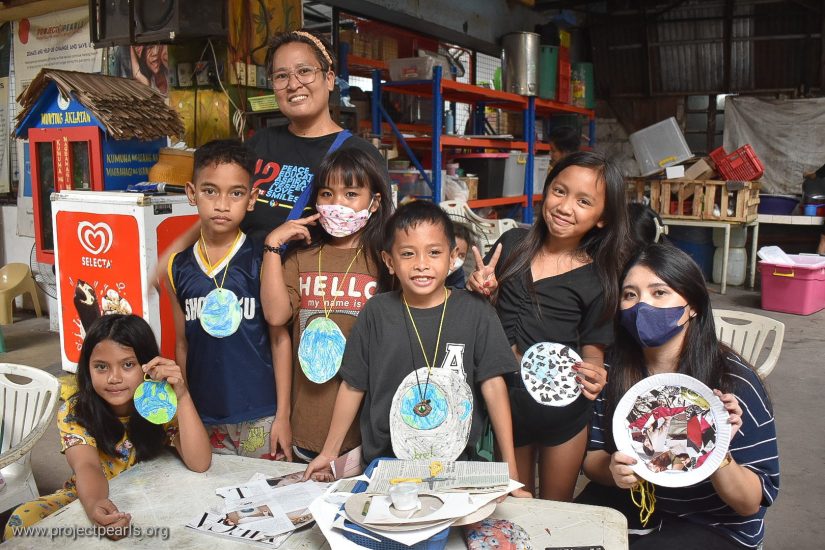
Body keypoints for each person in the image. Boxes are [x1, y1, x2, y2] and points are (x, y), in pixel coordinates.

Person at [301, 202, 530, 496]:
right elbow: (353, 385)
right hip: (387, 466)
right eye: (408, 254)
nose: (421, 264)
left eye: (434, 252)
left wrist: (510, 473)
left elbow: (494, 389)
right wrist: (329, 452)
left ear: (453, 257)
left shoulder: (476, 311)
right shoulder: (376, 312)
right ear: (389, 261)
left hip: (457, 466)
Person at [577, 244, 779, 549]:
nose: (642, 306)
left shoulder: (733, 381)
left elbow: (748, 504)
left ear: (693, 304)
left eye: (659, 293)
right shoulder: (612, 369)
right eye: (630, 294)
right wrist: (614, 470)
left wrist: (718, 449)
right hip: (639, 502)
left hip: (714, 524)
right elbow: (593, 460)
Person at [467, 151, 631, 501]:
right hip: (504, 404)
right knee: (514, 506)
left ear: (602, 218)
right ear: (547, 190)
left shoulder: (599, 278)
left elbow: (593, 345)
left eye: (584, 201)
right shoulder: (512, 245)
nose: (565, 207)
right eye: (560, 191)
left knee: (556, 511)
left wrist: (595, 371)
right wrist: (479, 289)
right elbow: (483, 311)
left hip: (563, 414)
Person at [3, 315, 211, 540]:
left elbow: (200, 463)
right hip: (90, 494)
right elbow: (87, 466)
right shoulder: (76, 411)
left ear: (149, 365)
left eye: (128, 365)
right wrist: (95, 504)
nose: (114, 378)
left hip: (150, 494)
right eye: (101, 367)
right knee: (22, 520)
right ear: (87, 368)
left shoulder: (160, 405)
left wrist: (182, 395)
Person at [260, 147, 392, 462]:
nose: (337, 204)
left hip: (370, 435)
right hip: (308, 427)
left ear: (374, 202)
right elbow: (276, 316)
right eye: (327, 193)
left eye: (351, 194)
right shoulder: (301, 259)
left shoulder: (387, 261)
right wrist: (272, 245)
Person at [167, 139, 288, 459]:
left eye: (235, 193)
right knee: (210, 486)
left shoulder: (262, 260)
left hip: (261, 412)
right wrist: (185, 408)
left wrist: (283, 415)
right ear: (191, 192)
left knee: (263, 489)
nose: (222, 204)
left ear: (252, 199)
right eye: (210, 191)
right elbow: (182, 344)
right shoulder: (177, 266)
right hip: (204, 414)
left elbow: (279, 338)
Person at [243, 29, 389, 242]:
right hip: (247, 264)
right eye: (281, 76)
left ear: (329, 79)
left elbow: (379, 236)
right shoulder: (258, 144)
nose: (293, 85)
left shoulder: (361, 153)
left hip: (315, 265)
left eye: (304, 71)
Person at [445, 222, 473, 289]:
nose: (455, 260)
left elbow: (458, 291)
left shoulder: (458, 273)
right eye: (451, 252)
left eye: (461, 256)